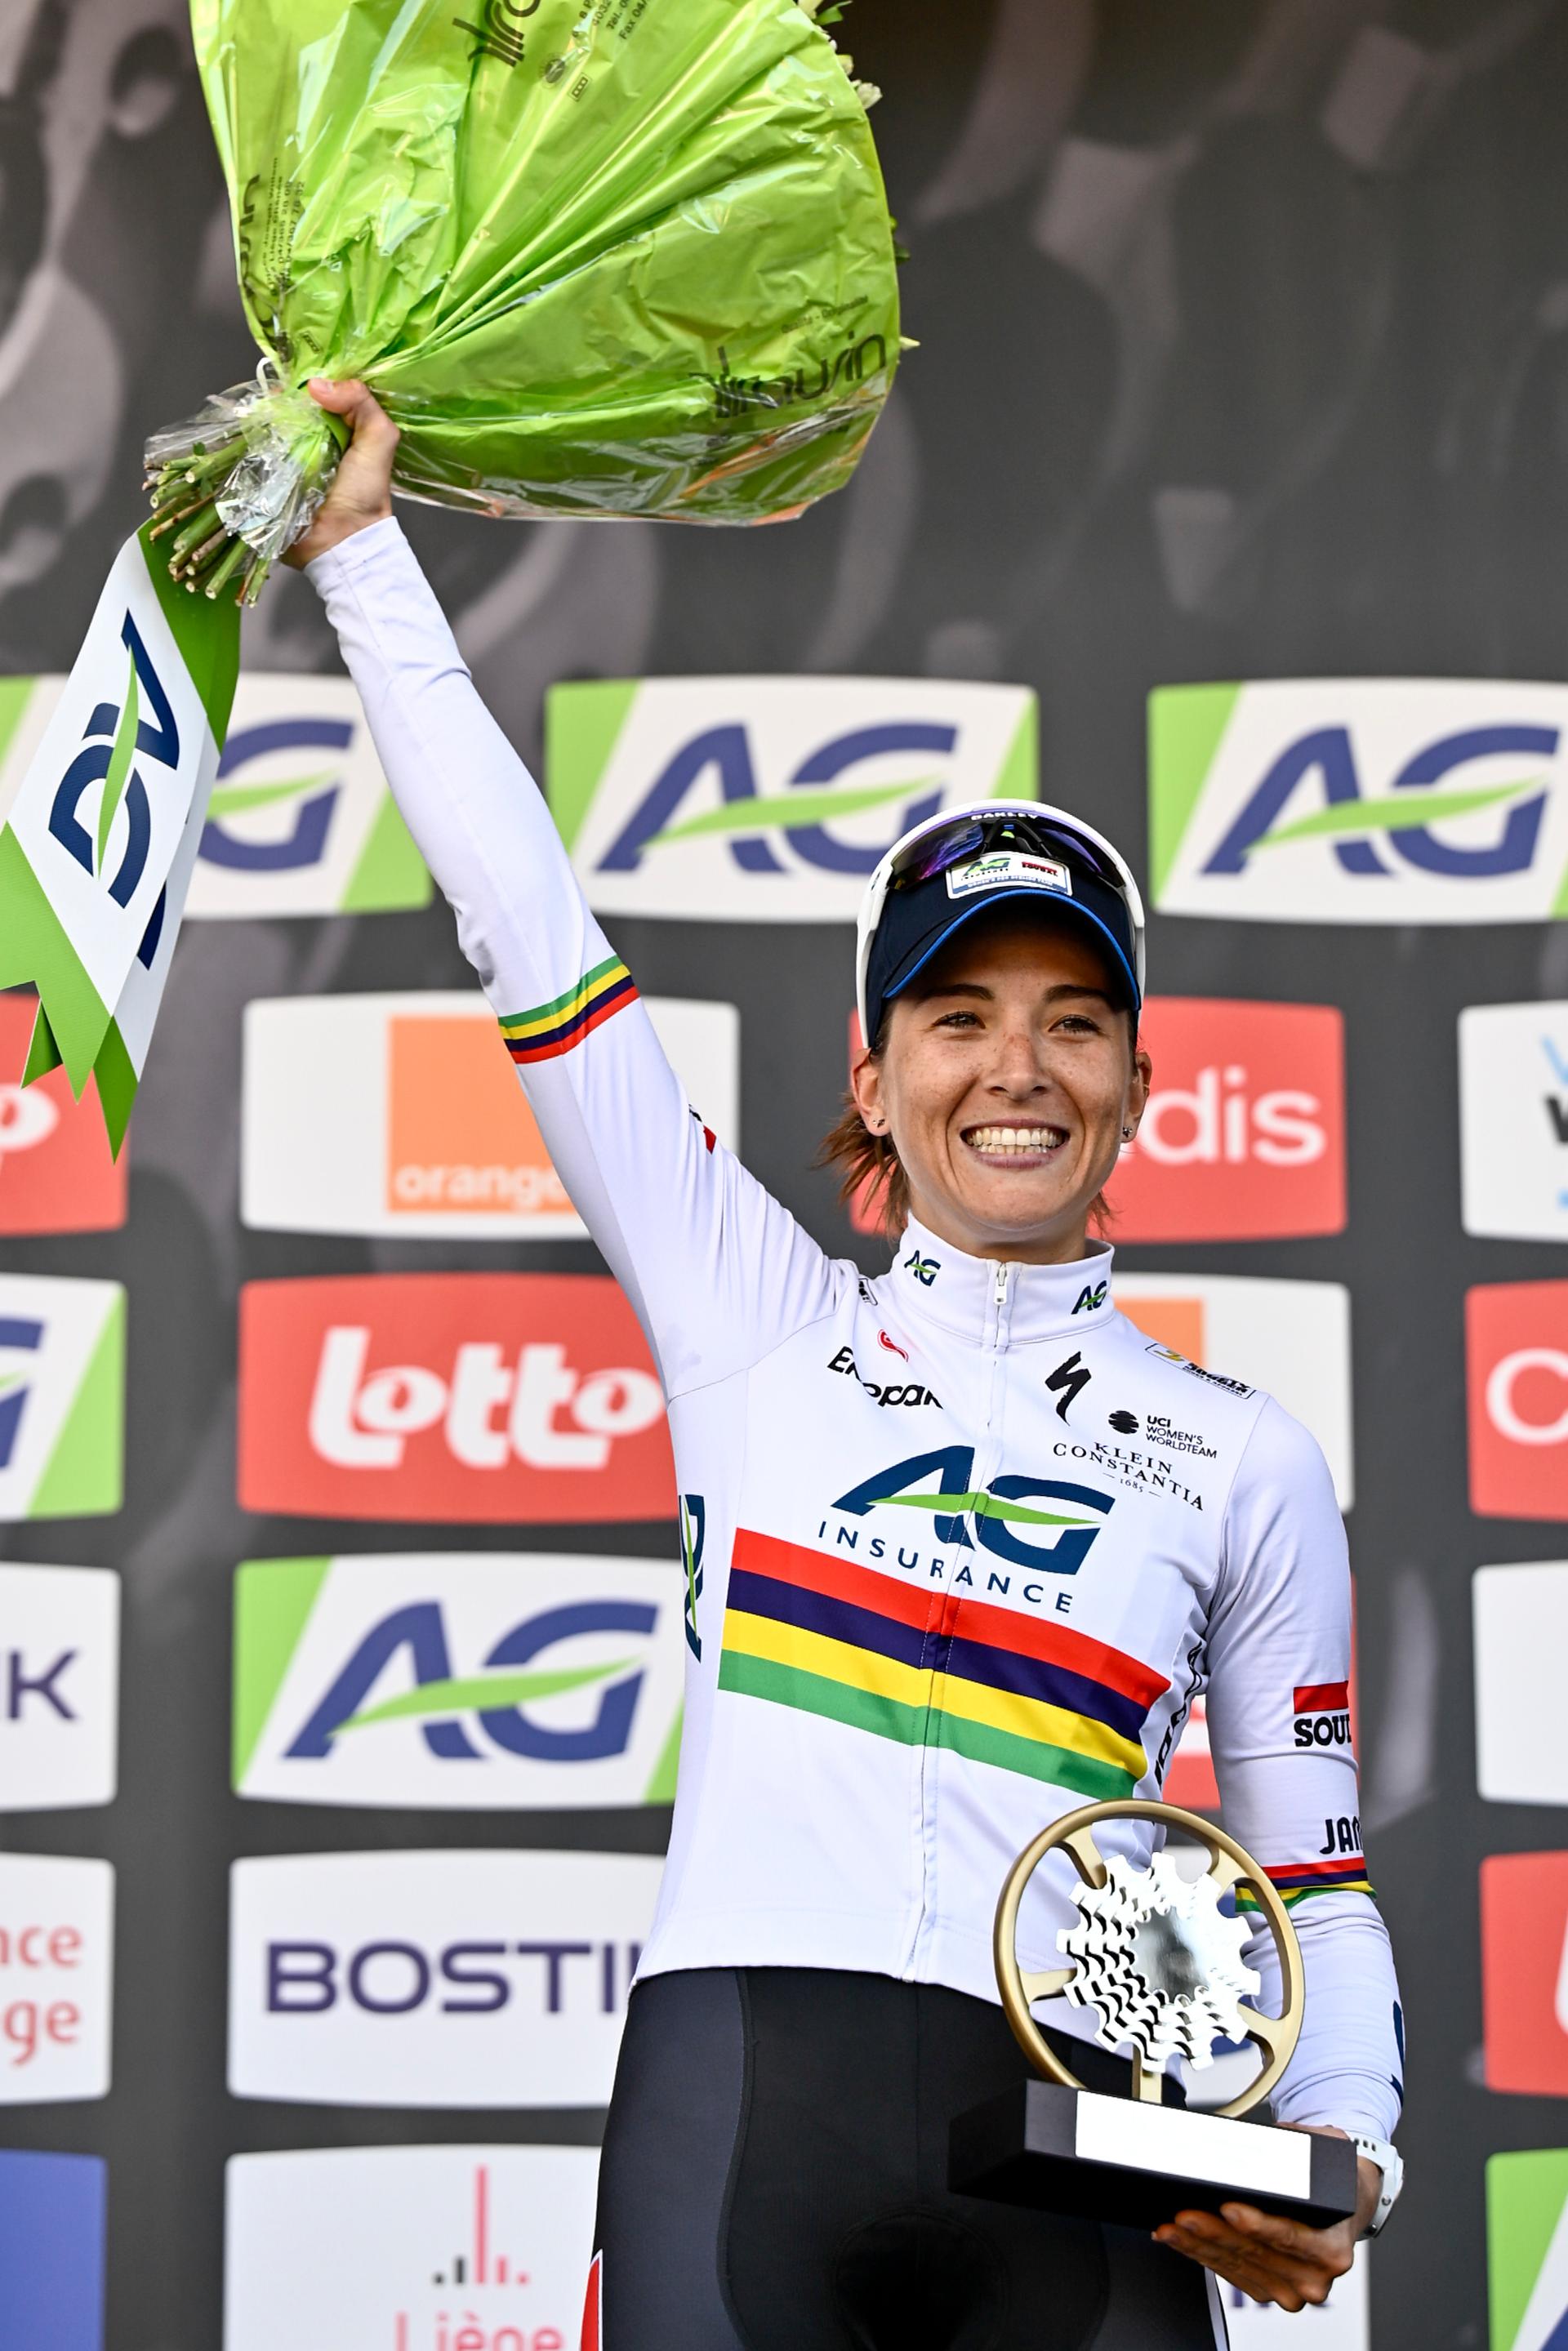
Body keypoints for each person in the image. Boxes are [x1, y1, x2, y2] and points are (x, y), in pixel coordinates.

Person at [288, 380, 1404, 2351]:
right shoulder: (750, 1312)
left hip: (1089, 2164)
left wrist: (1342, 2148)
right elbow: (524, 923)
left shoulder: (1242, 1459)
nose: (1018, 1067)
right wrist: (362, 562)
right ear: (873, 1076)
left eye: (1074, 1021)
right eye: (958, 1015)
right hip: (744, 2124)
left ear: (1139, 1086)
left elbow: (1313, 1878)